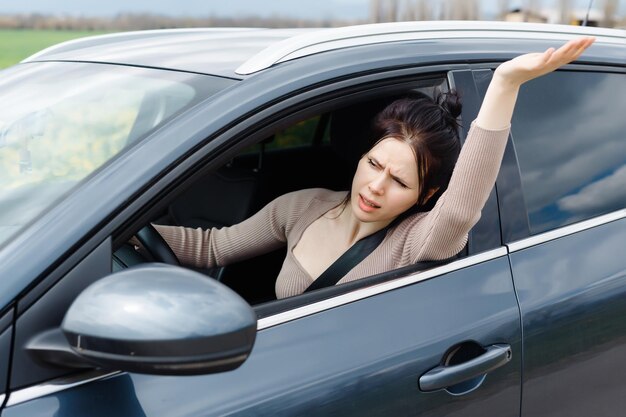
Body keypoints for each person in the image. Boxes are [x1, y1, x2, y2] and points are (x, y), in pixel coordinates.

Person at [153, 37, 595, 299]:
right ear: (362, 156)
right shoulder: (302, 207)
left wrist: (503, 84)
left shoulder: (414, 241)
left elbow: (460, 212)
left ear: (424, 196)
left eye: (400, 180)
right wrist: (107, 232)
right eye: (374, 163)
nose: (376, 185)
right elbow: (209, 249)